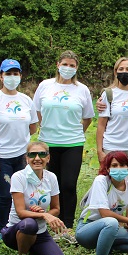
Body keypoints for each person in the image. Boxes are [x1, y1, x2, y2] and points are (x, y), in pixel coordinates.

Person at [32, 50, 94, 229]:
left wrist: (76, 132)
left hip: (73, 143)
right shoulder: (45, 86)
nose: (68, 68)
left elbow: (88, 117)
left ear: (77, 68)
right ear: (58, 65)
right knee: (52, 184)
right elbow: (37, 112)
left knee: (68, 184)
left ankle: (68, 223)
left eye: (72, 65)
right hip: (48, 143)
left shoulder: (82, 89)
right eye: (65, 64)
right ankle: (52, 219)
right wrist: (48, 127)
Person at [0, 58, 39, 235]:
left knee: (23, 194)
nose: (12, 77)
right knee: (6, 195)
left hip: (22, 156)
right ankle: (3, 229)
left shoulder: (26, 100)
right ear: (0, 76)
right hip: (1, 156)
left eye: (15, 73)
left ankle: (21, 226)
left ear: (20, 76)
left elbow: (33, 126)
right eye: (8, 74)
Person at [95, 57, 128, 232]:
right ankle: (113, 221)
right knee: (113, 186)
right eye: (121, 68)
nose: (124, 72)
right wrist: (99, 150)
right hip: (113, 146)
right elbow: (101, 124)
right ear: (115, 72)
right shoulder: (108, 94)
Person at [75, 151, 128, 255]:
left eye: (122, 165)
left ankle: (106, 248)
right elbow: (104, 213)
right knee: (111, 222)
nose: (119, 168)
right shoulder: (101, 181)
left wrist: (126, 222)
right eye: (114, 165)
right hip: (87, 228)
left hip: (112, 228)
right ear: (108, 169)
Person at [1, 141, 68, 255]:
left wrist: (43, 213)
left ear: (48, 158)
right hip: (16, 230)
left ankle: (33, 250)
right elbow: (21, 212)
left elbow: (56, 209)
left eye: (42, 154)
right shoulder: (18, 177)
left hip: (40, 232)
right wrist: (44, 216)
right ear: (27, 159)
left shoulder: (51, 178)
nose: (37, 158)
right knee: (29, 224)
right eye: (32, 155)